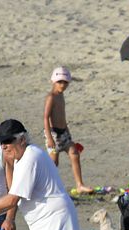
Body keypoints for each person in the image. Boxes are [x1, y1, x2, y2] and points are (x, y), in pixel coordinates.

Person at [43, 67, 94, 195]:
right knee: (53, 163)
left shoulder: (61, 95)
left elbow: (62, 116)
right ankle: (48, 188)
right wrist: (49, 137)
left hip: (64, 132)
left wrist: (68, 131)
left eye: (65, 82)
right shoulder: (51, 97)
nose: (63, 85)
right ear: (53, 82)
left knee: (74, 153)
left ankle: (79, 185)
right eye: (60, 82)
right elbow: (46, 117)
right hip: (53, 134)